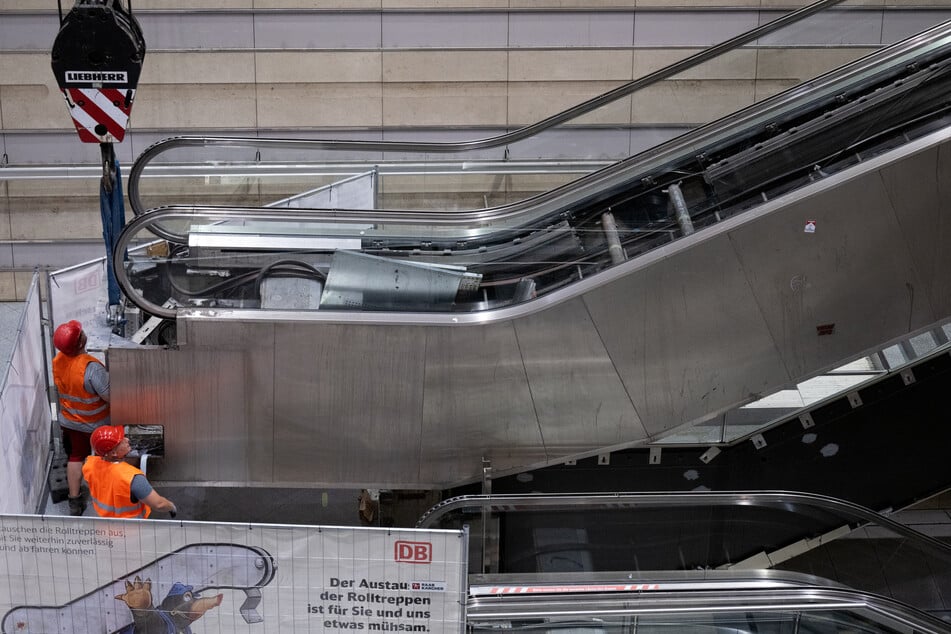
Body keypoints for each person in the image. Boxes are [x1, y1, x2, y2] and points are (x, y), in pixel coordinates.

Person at [52, 320, 110, 515]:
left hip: (70, 422)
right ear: (81, 342)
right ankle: (104, 499)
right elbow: (109, 395)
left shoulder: (58, 361)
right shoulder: (91, 368)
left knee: (75, 458)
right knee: (104, 461)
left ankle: (74, 501)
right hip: (97, 425)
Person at [83, 425, 177, 519]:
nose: (127, 439)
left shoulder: (89, 465)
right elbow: (159, 504)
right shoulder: (132, 478)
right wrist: (171, 506)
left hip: (105, 525)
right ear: (113, 453)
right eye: (121, 441)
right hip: (131, 529)